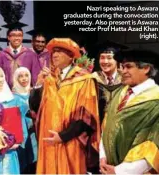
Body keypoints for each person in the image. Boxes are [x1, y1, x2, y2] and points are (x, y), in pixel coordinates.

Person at [31, 38, 100, 174]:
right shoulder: (49, 79)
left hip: (71, 141)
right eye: (53, 52)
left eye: (59, 52)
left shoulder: (84, 79)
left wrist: (63, 136)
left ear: (71, 56)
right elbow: (35, 107)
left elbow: (86, 116)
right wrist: (38, 84)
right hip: (48, 140)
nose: (54, 55)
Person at [100, 49, 159, 174]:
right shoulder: (120, 93)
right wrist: (103, 156)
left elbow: (157, 144)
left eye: (128, 67)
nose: (122, 71)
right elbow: (106, 127)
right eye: (122, 67)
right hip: (108, 167)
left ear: (145, 68)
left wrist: (120, 171)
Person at [0, 22, 41, 88]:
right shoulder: (2, 55)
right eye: (13, 35)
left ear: (22, 37)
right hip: (8, 93)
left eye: (19, 35)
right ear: (8, 37)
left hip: (26, 93)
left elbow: (35, 76)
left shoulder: (31, 54)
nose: (17, 38)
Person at [91, 41, 127, 124]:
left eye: (109, 58)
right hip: (96, 126)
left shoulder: (126, 80)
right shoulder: (92, 79)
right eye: (102, 58)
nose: (105, 61)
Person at [12, 67, 38, 173]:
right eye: (20, 76)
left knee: (35, 162)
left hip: (35, 133)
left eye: (26, 75)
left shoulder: (35, 93)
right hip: (22, 135)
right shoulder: (12, 96)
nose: (24, 79)